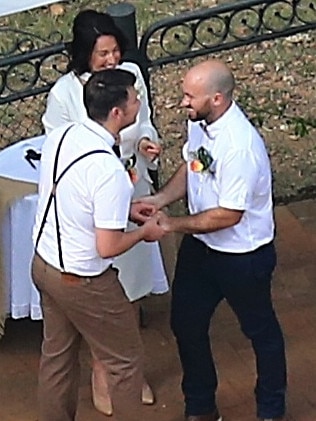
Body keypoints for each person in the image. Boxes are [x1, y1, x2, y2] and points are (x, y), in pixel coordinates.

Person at [134, 59, 287, 421]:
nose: (182, 103)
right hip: (202, 250)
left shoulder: (239, 147)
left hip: (242, 257)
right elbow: (194, 166)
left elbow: (227, 215)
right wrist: (158, 200)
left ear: (216, 98)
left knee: (260, 332)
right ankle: (200, 406)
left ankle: (271, 409)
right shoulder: (202, 123)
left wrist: (171, 225)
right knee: (186, 323)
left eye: (189, 96)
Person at [42, 9, 169, 415]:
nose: (137, 102)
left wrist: (129, 204)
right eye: (133, 101)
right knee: (126, 361)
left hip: (45, 260)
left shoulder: (66, 139)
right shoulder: (109, 171)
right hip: (83, 271)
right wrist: (144, 233)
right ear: (116, 112)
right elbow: (108, 244)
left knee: (57, 358)